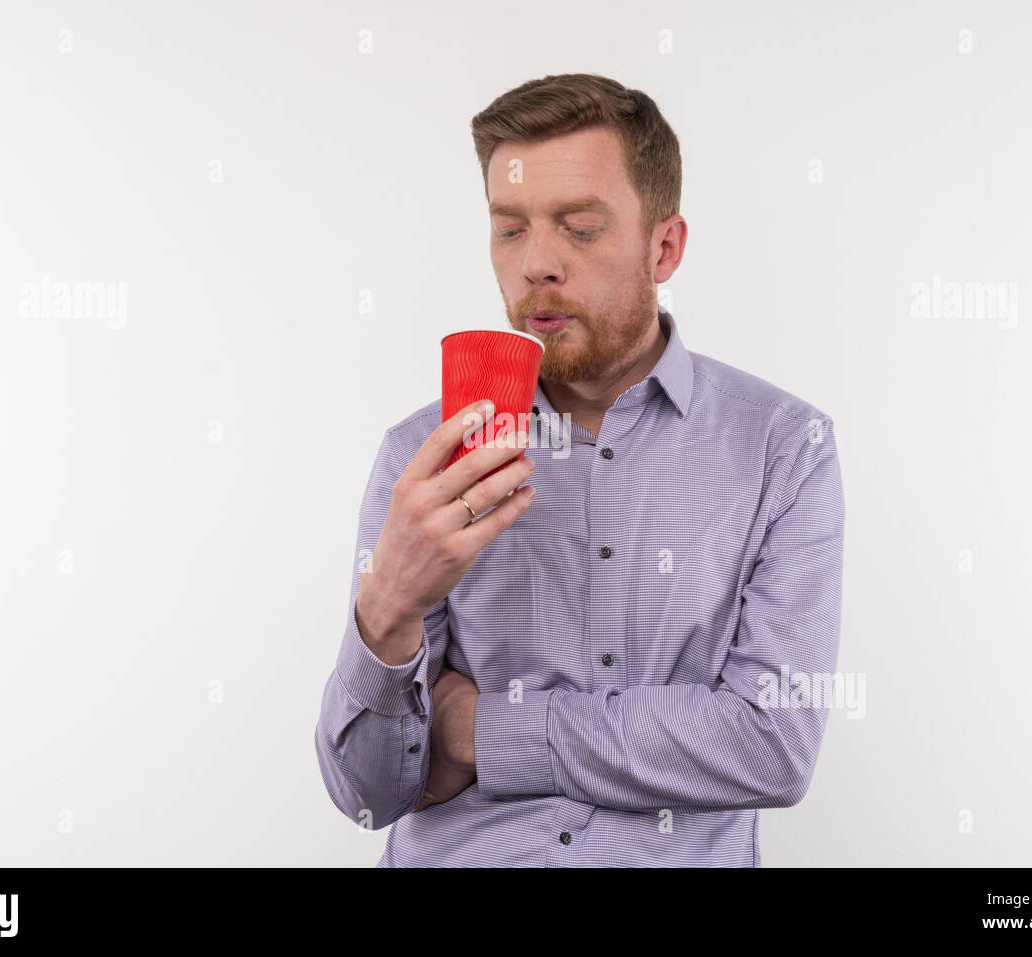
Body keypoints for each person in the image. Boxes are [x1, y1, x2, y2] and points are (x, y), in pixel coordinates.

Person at [315, 73, 845, 866]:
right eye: (510, 229)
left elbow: (771, 743)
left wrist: (476, 729)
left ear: (663, 247)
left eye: (580, 227)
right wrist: (386, 613)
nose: (537, 264)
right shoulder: (421, 457)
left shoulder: (783, 448)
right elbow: (368, 796)